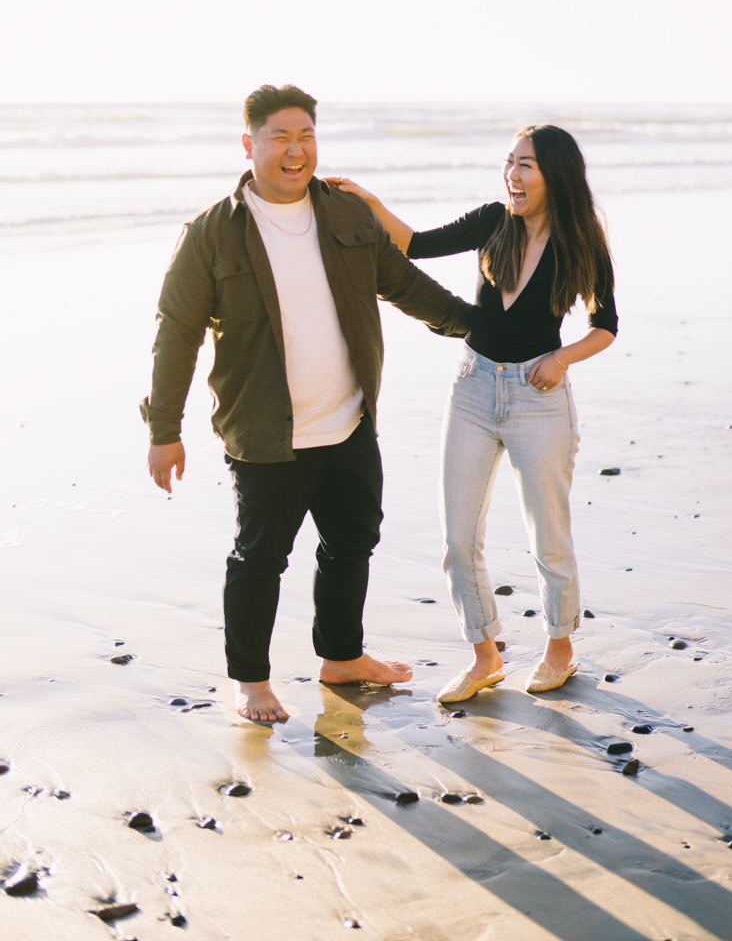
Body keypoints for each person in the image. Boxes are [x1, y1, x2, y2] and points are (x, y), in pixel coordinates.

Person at [141, 84, 476, 723]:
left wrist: (478, 325)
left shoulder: (347, 215)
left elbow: (404, 285)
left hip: (348, 420)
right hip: (266, 432)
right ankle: (251, 680)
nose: (296, 152)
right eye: (280, 138)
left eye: (306, 137)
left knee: (352, 541)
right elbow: (176, 333)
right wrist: (164, 429)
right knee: (260, 557)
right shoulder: (212, 234)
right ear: (250, 145)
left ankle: (341, 657)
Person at [329, 124, 618, 703]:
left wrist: (561, 358)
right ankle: (485, 654)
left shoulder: (579, 243)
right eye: (509, 162)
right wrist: (372, 205)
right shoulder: (493, 221)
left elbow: (605, 324)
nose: (512, 174)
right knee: (458, 536)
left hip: (539, 399)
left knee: (548, 534)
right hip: (473, 388)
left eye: (526, 165)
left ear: (554, 175)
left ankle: (559, 645)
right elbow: (414, 244)